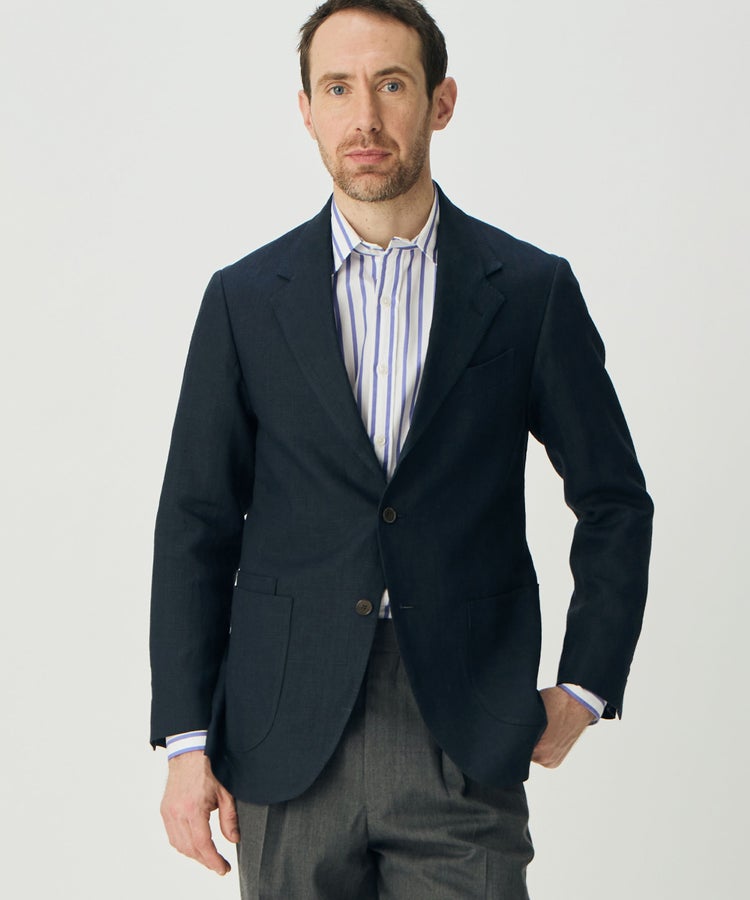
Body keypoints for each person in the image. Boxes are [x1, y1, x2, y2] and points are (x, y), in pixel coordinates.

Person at [150, 1, 653, 896]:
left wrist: (585, 686)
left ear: (440, 101)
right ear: (306, 111)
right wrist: (188, 742)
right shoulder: (244, 299)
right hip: (284, 731)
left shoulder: (528, 291)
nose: (365, 118)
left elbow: (613, 498)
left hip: (461, 728)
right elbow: (196, 522)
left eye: (391, 84)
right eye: (338, 88)